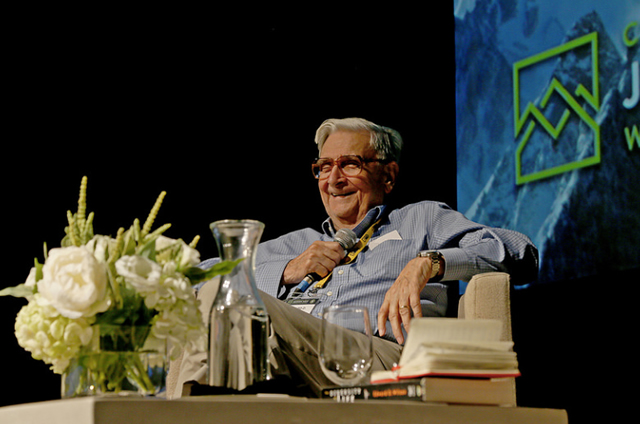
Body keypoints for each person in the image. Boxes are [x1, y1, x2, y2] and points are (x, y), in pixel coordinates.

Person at [173, 117, 538, 397]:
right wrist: (286, 271)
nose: (334, 179)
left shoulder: (421, 219)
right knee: (218, 300)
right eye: (323, 167)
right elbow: (197, 278)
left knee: (239, 313)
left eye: (350, 164)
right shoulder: (299, 243)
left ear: (389, 175)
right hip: (288, 363)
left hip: (380, 359)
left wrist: (430, 262)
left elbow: (520, 252)